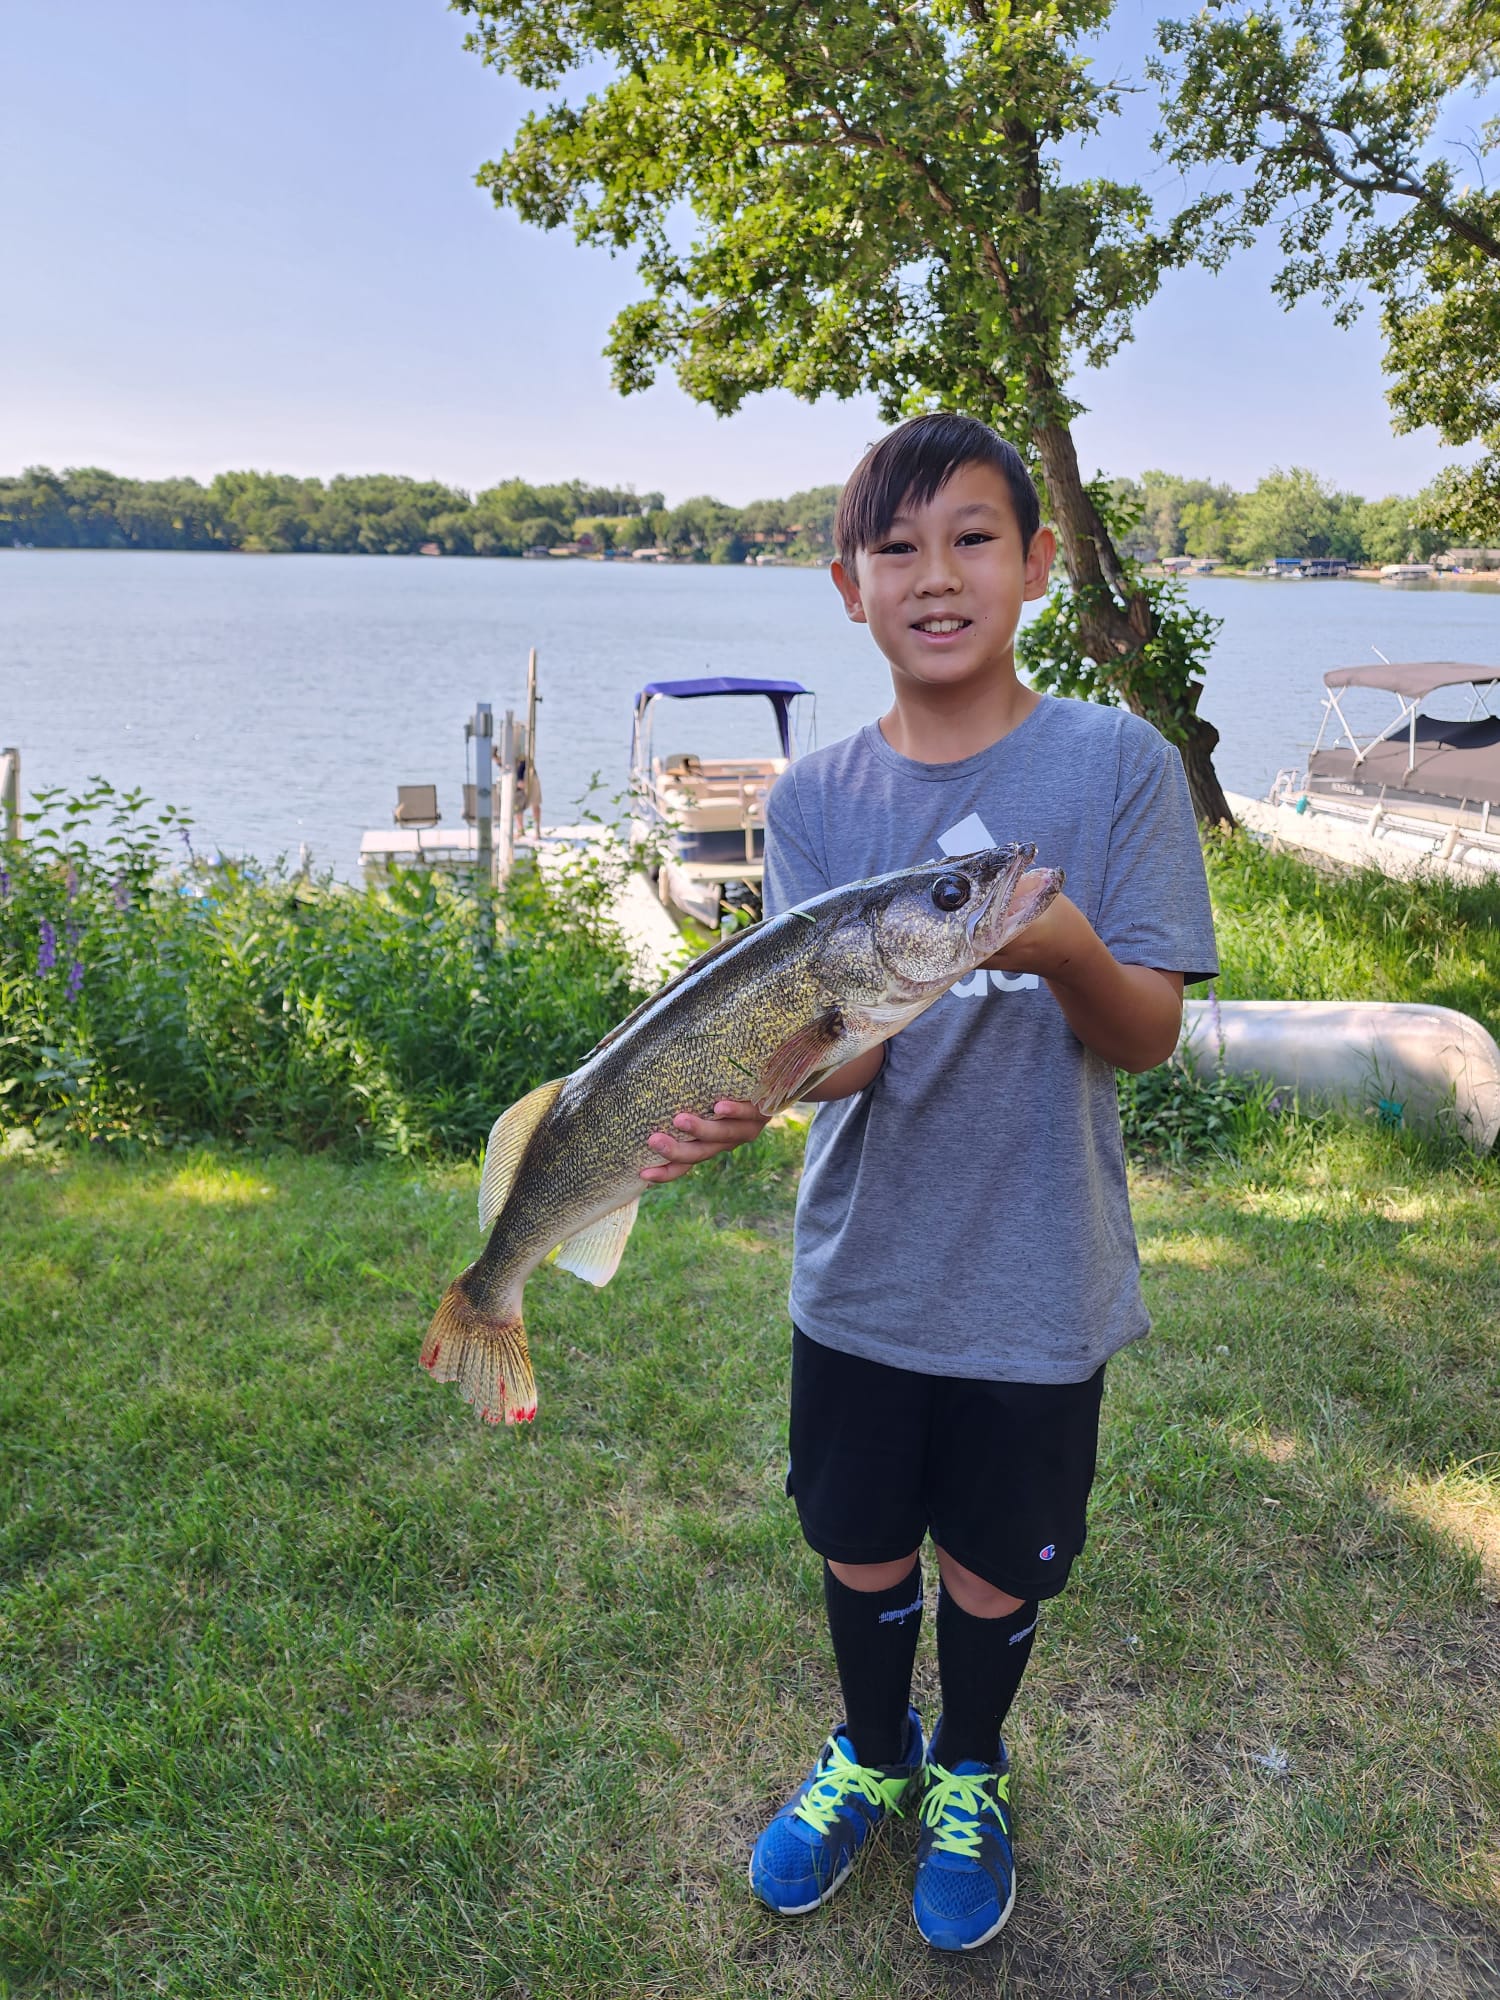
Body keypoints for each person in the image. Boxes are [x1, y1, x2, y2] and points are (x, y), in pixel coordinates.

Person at [637, 412, 1218, 1952]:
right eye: (896, 546)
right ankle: (873, 1751)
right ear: (848, 587)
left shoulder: (1116, 765)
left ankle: (970, 1761)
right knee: (860, 1536)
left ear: (1036, 562)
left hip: (1042, 1271)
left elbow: (1147, 1032)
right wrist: (748, 1101)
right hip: (863, 1272)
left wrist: (1065, 940)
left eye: (974, 537)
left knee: (997, 1557)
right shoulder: (813, 797)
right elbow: (835, 1056)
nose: (935, 574)